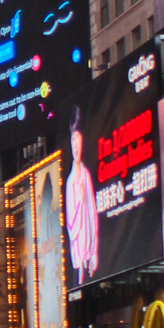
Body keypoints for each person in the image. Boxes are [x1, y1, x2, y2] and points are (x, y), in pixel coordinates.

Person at [65, 105, 99, 285]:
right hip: (78, 262)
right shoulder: (70, 182)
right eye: (72, 138)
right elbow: (71, 229)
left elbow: (93, 214)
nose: (75, 144)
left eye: (78, 138)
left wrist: (94, 251)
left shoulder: (86, 175)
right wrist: (79, 201)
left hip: (89, 256)